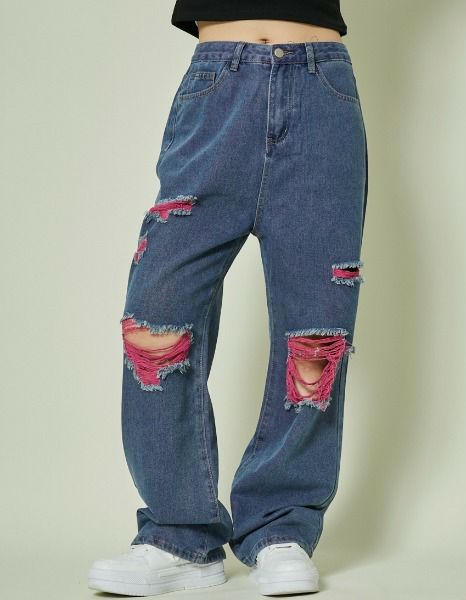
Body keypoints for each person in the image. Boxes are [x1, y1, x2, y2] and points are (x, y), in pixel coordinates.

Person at [88, 2, 368, 596]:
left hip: (323, 91)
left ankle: (282, 528)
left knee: (316, 331)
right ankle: (179, 535)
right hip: (218, 84)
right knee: (157, 317)